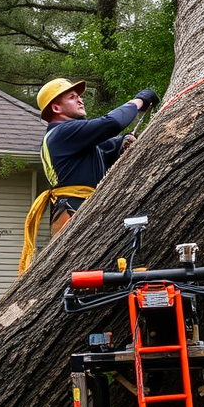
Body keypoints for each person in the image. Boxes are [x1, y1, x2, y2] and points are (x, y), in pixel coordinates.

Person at [18, 79, 159, 275]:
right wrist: (139, 101)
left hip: (77, 208)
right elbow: (113, 123)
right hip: (74, 211)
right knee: (86, 277)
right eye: (72, 97)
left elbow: (105, 149)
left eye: (79, 96)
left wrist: (122, 142)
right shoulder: (63, 132)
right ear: (56, 107)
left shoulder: (72, 139)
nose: (80, 100)